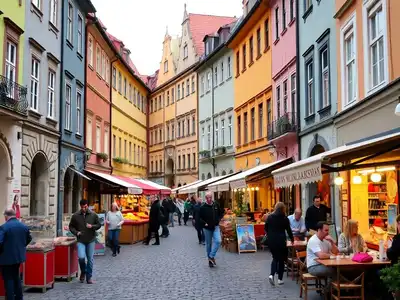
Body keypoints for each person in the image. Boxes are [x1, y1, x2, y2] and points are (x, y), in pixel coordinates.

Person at [0, 209, 32, 299]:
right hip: (18, 257)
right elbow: (29, 238)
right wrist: (21, 247)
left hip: (6, 258)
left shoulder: (4, 227)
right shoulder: (23, 226)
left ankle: (10, 297)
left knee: (8, 279)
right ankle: (19, 297)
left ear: (6, 216)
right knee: (16, 277)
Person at [69, 199, 101, 284]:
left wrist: (92, 226)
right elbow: (71, 227)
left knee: (90, 259)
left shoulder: (93, 215)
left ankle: (89, 277)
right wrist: (77, 232)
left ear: (88, 205)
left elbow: (99, 225)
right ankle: (83, 271)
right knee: (81, 257)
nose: (84, 209)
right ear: (80, 206)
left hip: (91, 240)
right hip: (81, 240)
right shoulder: (75, 215)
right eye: (82, 207)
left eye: (85, 207)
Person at [265, 202, 294, 286]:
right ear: (283, 209)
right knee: (281, 259)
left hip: (271, 241)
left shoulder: (270, 217)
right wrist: (292, 239)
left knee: (275, 258)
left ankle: (271, 275)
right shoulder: (285, 219)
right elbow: (288, 230)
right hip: (281, 241)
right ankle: (280, 279)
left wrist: (270, 234)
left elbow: (266, 227)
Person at [307, 221, 339, 293]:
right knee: (335, 271)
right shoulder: (313, 240)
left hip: (325, 264)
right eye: (326, 230)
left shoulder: (326, 239)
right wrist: (331, 256)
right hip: (313, 267)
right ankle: (328, 291)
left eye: (328, 230)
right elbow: (321, 255)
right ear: (319, 230)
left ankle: (333, 290)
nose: (328, 232)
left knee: (339, 270)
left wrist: (332, 242)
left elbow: (336, 252)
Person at [199, 192, 224, 267]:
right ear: (205, 198)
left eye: (210, 197)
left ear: (212, 197)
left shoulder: (216, 205)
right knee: (209, 244)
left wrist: (219, 219)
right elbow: (199, 218)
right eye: (207, 198)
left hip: (216, 226)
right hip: (207, 228)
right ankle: (210, 262)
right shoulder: (203, 207)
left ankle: (211, 256)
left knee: (218, 240)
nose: (209, 199)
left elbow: (220, 213)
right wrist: (204, 223)